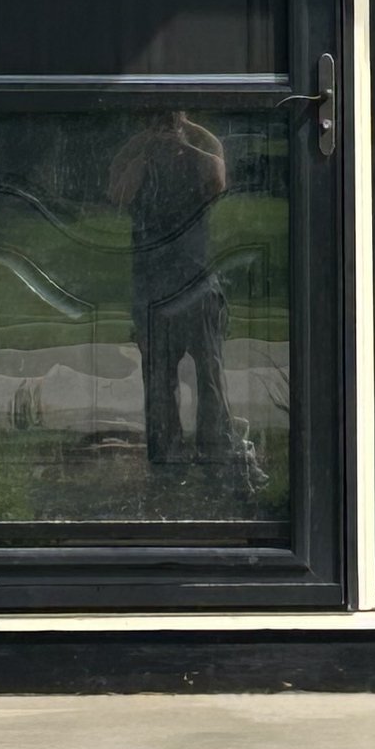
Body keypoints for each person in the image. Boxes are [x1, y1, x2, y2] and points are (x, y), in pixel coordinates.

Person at [107, 109, 252, 486]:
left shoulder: (202, 143)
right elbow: (118, 194)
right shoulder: (135, 150)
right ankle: (165, 459)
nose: (167, 124)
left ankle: (215, 451)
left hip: (197, 276)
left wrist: (185, 142)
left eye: (173, 116)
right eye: (160, 117)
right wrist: (146, 152)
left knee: (210, 371)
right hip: (151, 280)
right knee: (157, 376)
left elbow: (217, 180)